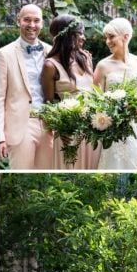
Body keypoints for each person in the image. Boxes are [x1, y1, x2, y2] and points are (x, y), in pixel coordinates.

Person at [94, 18, 137, 171]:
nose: (108, 41)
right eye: (106, 37)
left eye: (111, 37)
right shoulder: (103, 66)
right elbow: (94, 100)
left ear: (126, 36)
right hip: (114, 128)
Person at [41, 15, 100, 170]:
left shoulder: (86, 57)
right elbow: (48, 104)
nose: (84, 37)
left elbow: (93, 92)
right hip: (69, 132)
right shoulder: (50, 65)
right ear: (68, 36)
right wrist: (61, 128)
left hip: (93, 129)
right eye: (80, 33)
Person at [0, 4, 53, 169]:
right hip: (20, 126)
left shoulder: (51, 52)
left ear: (42, 24)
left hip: (49, 126)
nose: (32, 25)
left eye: (36, 21)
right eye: (27, 20)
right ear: (18, 21)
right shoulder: (4, 54)